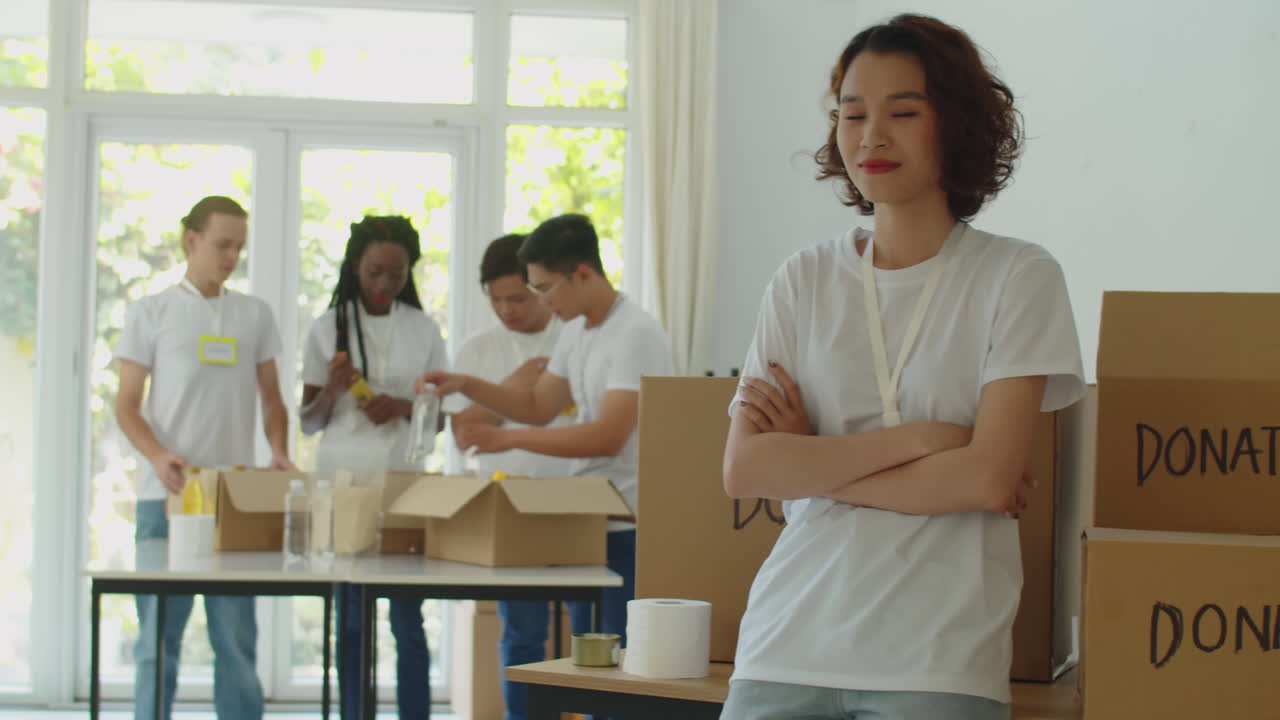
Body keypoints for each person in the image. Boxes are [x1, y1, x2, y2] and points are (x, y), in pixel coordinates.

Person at [720, 15, 1086, 720]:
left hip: (936, 662)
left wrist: (815, 461)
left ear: (957, 124)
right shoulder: (802, 280)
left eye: (903, 112)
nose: (870, 136)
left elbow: (986, 479)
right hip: (783, 641)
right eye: (852, 114)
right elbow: (746, 472)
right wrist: (926, 441)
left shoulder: (1018, 277)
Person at [417, 214, 673, 720]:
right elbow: (538, 404)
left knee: (616, 670)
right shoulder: (578, 330)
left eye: (543, 289)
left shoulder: (635, 331)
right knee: (585, 662)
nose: (542, 302)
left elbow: (608, 434)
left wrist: (502, 437)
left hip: (630, 519)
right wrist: (466, 384)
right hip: (588, 517)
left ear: (583, 273)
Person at [114, 195, 296, 720]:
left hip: (233, 501)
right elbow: (126, 406)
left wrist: (280, 452)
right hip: (165, 499)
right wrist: (157, 456)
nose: (232, 255)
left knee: (236, 645)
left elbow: (272, 399)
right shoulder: (150, 313)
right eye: (222, 244)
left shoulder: (253, 314)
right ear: (190, 239)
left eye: (239, 246)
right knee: (157, 643)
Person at [299, 215, 448, 719]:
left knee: (409, 618)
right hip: (344, 483)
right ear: (355, 268)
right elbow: (309, 422)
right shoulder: (326, 328)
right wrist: (336, 388)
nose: (386, 285)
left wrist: (403, 406)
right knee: (352, 619)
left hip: (405, 483)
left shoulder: (424, 329)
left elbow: (443, 417)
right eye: (375, 273)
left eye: (397, 274)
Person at [444, 233, 578, 720]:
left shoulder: (573, 335)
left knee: (589, 635)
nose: (507, 310)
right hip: (508, 508)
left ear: (541, 288)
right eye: (496, 299)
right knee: (521, 633)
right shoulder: (478, 349)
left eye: (517, 298)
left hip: (576, 501)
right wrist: (511, 390)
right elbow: (463, 432)